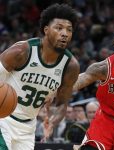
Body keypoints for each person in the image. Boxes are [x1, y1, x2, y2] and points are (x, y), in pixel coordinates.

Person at [0, 3, 80, 150]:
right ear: (46, 30)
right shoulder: (21, 51)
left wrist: (52, 120)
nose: (65, 33)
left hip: (28, 127)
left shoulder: (70, 66)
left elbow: (62, 103)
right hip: (3, 120)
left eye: (69, 30)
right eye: (59, 28)